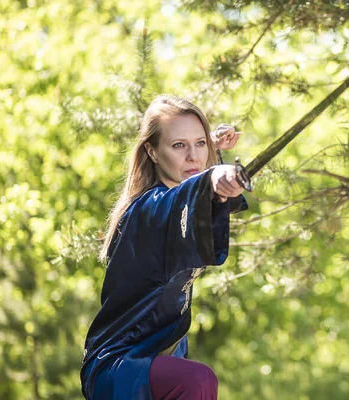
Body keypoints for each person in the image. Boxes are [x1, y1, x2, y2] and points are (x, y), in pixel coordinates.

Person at [80, 95, 247, 400]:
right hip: (121, 369)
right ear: (152, 152)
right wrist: (212, 178)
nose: (194, 157)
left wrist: (211, 155)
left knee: (194, 378)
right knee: (198, 380)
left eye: (199, 145)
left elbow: (193, 193)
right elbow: (178, 204)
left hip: (162, 361)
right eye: (178, 146)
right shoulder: (146, 211)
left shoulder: (179, 194)